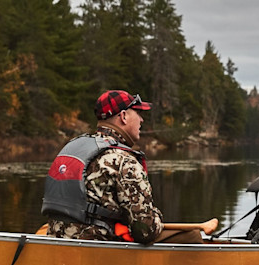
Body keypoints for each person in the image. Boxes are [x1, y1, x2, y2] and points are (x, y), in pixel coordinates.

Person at [43, 89, 201, 244]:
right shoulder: (124, 162)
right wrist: (156, 217)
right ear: (124, 116)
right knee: (193, 237)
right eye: (138, 113)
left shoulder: (71, 149)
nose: (141, 120)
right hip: (94, 251)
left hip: (57, 241)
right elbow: (146, 231)